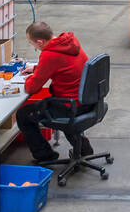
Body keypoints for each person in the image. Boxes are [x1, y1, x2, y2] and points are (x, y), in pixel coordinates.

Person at [15, 21, 93, 164]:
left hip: (70, 105)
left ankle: (45, 155)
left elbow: (32, 88)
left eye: (31, 44)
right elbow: (63, 64)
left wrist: (27, 78)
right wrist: (38, 68)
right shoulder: (70, 42)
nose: (34, 47)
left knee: (24, 114)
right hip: (87, 100)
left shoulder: (49, 55)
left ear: (39, 42)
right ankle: (83, 149)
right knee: (58, 108)